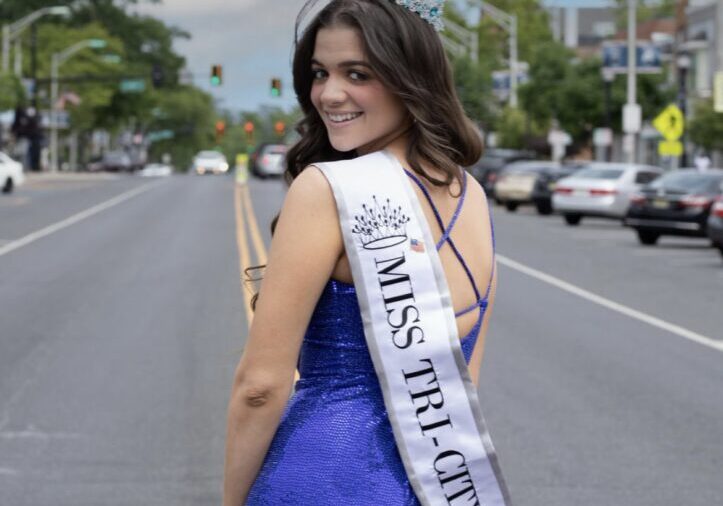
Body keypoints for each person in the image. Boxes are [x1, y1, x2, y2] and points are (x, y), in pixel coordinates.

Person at [223, 1, 510, 504]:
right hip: (433, 485)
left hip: (319, 479)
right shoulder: (470, 195)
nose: (329, 94)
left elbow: (260, 388)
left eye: (357, 73)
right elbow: (465, 383)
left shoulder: (327, 189)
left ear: (411, 78)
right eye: (319, 73)